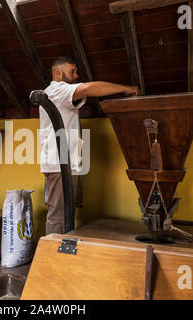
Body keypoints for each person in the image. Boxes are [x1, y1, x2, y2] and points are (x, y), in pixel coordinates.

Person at [39, 56, 140, 235]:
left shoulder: (55, 93)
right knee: (58, 215)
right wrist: (126, 89)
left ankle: (62, 252)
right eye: (72, 72)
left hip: (65, 163)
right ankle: (51, 257)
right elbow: (87, 88)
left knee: (66, 213)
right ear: (57, 73)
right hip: (59, 165)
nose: (77, 75)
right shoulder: (57, 90)